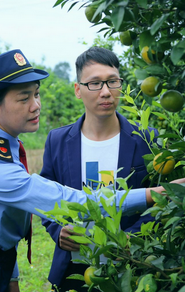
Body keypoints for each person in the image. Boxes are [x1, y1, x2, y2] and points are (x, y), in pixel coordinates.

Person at [0, 49, 185, 292]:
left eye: (36, 94)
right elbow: (72, 201)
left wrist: (10, 274)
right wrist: (158, 194)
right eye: (24, 98)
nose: (36, 106)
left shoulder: (5, 144)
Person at [40, 47, 160, 291]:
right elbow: (45, 196)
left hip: (132, 266)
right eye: (95, 83)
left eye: (112, 82)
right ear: (78, 90)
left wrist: (132, 238)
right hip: (75, 268)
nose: (106, 92)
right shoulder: (58, 141)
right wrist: (58, 230)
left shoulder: (145, 139)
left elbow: (161, 198)